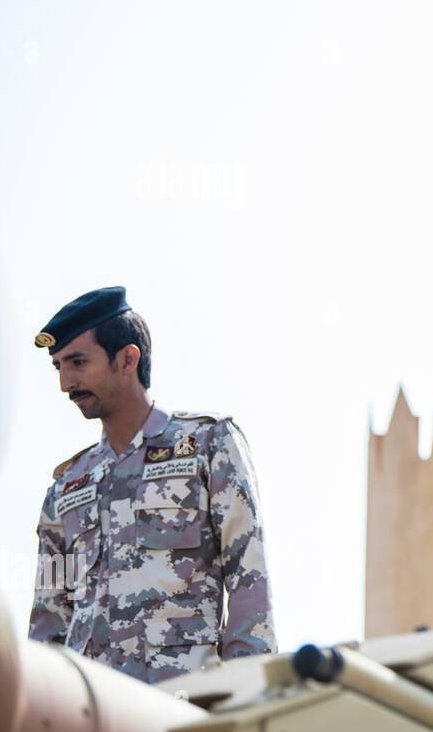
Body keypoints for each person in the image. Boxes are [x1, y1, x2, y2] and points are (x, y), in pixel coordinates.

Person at [28, 286, 276, 684]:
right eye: (58, 366)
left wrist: (245, 696)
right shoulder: (66, 489)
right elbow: (48, 621)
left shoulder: (208, 445)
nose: (65, 382)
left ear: (127, 359)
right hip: (92, 718)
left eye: (77, 362)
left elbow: (249, 579)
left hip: (181, 704)